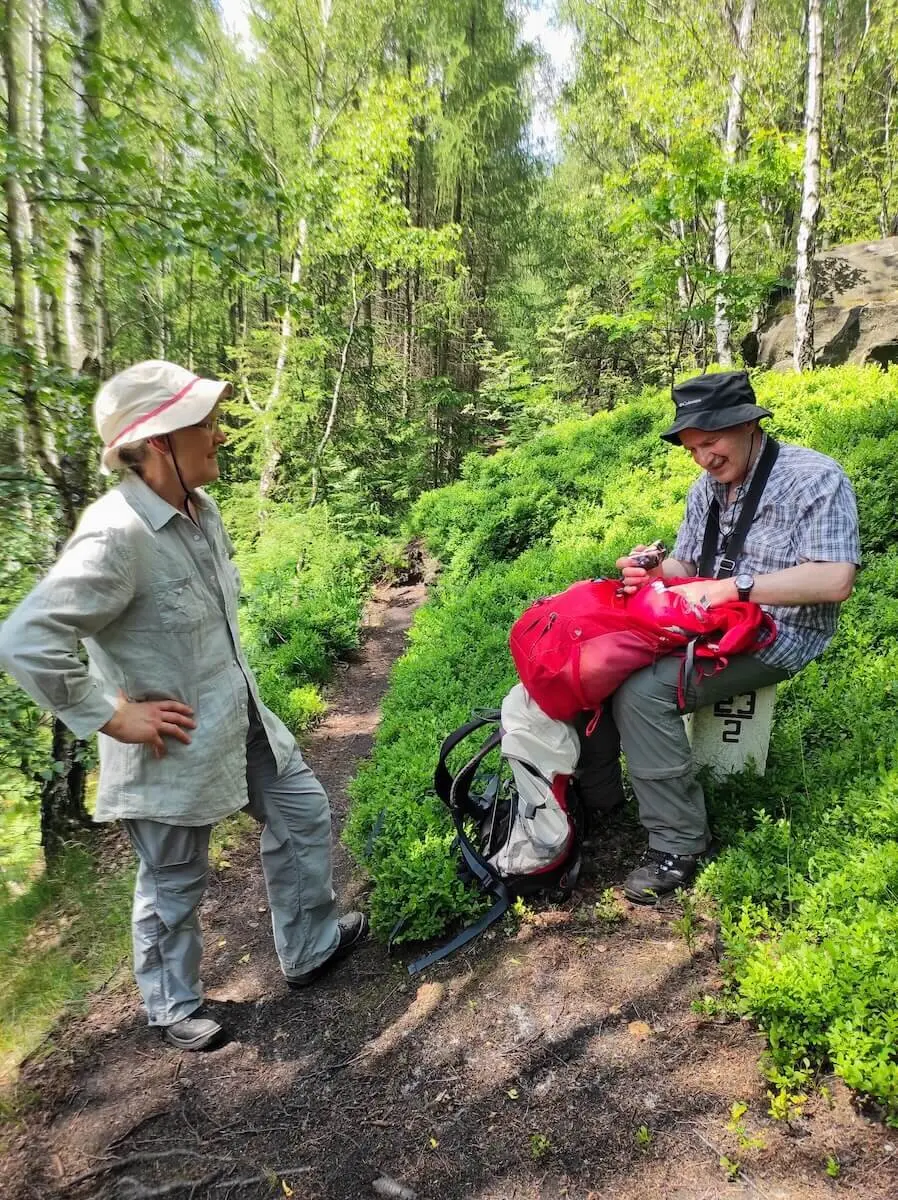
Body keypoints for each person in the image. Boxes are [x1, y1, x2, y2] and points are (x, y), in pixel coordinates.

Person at [0, 360, 367, 1051]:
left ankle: (311, 946)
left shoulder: (205, 512)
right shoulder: (115, 534)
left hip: (240, 716)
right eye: (206, 423)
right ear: (161, 439)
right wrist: (110, 717)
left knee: (302, 813)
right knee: (173, 882)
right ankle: (172, 1005)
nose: (221, 436)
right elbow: (24, 638)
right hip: (167, 744)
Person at [575, 370, 860, 903]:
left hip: (780, 633)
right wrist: (656, 572)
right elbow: (689, 565)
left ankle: (680, 843)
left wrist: (736, 589)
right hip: (708, 622)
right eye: (691, 448)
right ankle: (602, 803)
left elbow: (834, 579)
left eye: (711, 442)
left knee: (642, 692)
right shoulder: (707, 487)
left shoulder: (815, 477)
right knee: (594, 663)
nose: (703, 458)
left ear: (750, 424)